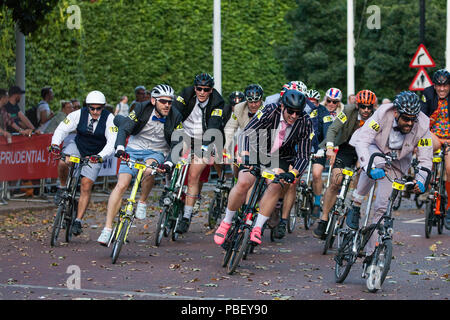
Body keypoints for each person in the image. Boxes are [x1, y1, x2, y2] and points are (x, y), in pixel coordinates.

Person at [214, 90, 313, 246]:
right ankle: (226, 222)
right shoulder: (270, 110)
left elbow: (303, 154)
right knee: (244, 181)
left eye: (297, 112)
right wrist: (245, 154)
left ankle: (258, 227)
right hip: (257, 148)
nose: (294, 116)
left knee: (276, 185)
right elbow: (248, 131)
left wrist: (293, 173)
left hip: (280, 156)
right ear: (282, 107)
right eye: (291, 111)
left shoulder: (305, 121)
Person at [345, 91, 432, 263]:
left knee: (382, 207)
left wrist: (422, 180)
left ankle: (371, 253)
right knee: (374, 164)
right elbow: (363, 141)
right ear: (396, 112)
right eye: (405, 118)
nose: (409, 123)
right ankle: (355, 204)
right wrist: (367, 166)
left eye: (412, 119)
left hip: (399, 160)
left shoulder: (422, 125)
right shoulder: (382, 114)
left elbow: (425, 158)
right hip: (374, 146)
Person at [97, 85, 183, 245]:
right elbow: (124, 128)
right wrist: (121, 148)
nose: (167, 105)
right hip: (134, 149)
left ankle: (142, 201)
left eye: (170, 102)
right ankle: (107, 229)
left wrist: (170, 162)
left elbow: (178, 143)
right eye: (163, 101)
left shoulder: (176, 116)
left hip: (157, 151)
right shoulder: (141, 108)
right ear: (153, 100)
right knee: (121, 185)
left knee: (149, 170)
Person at [49, 90, 117, 236]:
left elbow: (112, 142)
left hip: (96, 153)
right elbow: (62, 129)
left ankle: (78, 221)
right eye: (92, 108)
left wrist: (100, 156)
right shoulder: (78, 114)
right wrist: (55, 144)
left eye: (99, 108)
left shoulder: (110, 118)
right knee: (63, 161)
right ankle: (62, 187)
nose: (95, 111)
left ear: (103, 107)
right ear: (87, 106)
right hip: (78, 146)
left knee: (86, 185)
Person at [313, 89, 376, 239]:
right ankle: (324, 218)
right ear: (357, 105)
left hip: (365, 150)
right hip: (346, 147)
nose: (366, 110)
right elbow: (333, 129)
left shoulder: (377, 117)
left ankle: (352, 209)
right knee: (336, 181)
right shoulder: (348, 110)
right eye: (363, 107)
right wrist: (329, 147)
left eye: (369, 107)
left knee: (361, 178)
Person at [171, 72, 225, 234]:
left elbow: (214, 124)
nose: (202, 92)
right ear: (194, 88)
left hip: (206, 138)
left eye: (206, 89)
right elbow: (175, 112)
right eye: (199, 89)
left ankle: (186, 217)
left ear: (211, 90)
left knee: (194, 176)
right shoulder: (186, 93)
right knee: (173, 164)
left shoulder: (218, 101)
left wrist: (205, 146)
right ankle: (171, 193)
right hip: (185, 135)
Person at [421, 69, 450, 227]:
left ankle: (449, 206)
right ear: (434, 85)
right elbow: (422, 117)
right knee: (426, 145)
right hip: (435, 135)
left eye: (445, 86)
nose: (442, 89)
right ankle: (425, 176)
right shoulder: (427, 93)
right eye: (439, 86)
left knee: (449, 168)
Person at [310, 88, 345, 219]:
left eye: (334, 102)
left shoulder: (343, 113)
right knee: (316, 174)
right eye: (329, 101)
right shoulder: (319, 110)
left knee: (335, 180)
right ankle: (317, 203)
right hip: (321, 147)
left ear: (339, 103)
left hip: (338, 149)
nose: (331, 104)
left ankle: (330, 201)